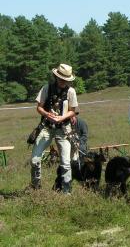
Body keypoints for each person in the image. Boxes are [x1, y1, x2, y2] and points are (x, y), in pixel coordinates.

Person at [30, 63, 78, 194]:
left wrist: (62, 118)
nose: (63, 81)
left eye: (66, 79)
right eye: (61, 78)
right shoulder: (46, 88)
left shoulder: (71, 91)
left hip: (64, 129)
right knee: (35, 160)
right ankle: (36, 188)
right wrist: (47, 114)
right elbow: (39, 107)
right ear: (56, 76)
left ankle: (66, 192)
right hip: (46, 127)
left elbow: (73, 111)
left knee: (66, 162)